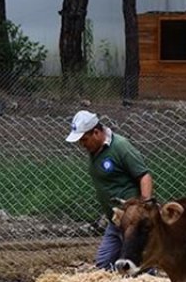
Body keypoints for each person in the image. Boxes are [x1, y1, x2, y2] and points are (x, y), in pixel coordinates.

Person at [66, 109, 154, 270]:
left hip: (132, 220)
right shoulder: (95, 150)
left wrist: (145, 206)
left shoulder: (120, 147)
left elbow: (144, 176)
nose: (82, 145)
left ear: (97, 132)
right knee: (104, 263)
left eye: (84, 140)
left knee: (139, 262)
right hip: (116, 220)